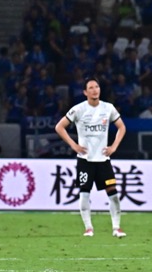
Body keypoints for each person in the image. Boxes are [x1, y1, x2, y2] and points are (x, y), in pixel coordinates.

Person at [54, 77, 127, 238]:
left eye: (97, 87)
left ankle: (116, 228)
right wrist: (74, 146)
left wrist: (114, 147)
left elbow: (122, 127)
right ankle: (88, 228)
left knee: (113, 194)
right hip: (85, 160)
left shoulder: (108, 108)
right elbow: (59, 127)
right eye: (91, 88)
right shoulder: (78, 109)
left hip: (103, 160)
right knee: (84, 193)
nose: (95, 90)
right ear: (85, 92)